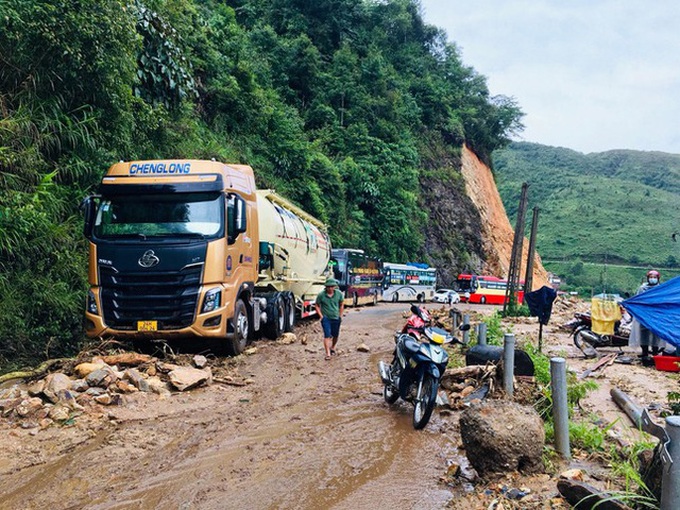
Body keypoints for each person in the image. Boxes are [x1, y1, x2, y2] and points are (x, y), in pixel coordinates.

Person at [629, 270, 664, 362]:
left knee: (656, 334)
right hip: (644, 314)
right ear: (648, 278)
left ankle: (655, 353)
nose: (653, 279)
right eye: (651, 277)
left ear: (658, 279)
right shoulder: (642, 288)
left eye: (655, 277)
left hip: (656, 315)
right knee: (644, 333)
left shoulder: (661, 288)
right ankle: (645, 353)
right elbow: (638, 299)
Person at [315, 278, 345, 360]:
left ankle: (332, 347)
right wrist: (321, 316)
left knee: (335, 335)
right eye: (328, 287)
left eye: (332, 287)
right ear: (326, 287)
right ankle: (328, 353)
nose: (330, 288)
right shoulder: (321, 295)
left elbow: (342, 304)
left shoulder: (339, 294)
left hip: (336, 318)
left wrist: (340, 315)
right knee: (327, 335)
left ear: (334, 287)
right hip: (326, 319)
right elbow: (317, 305)